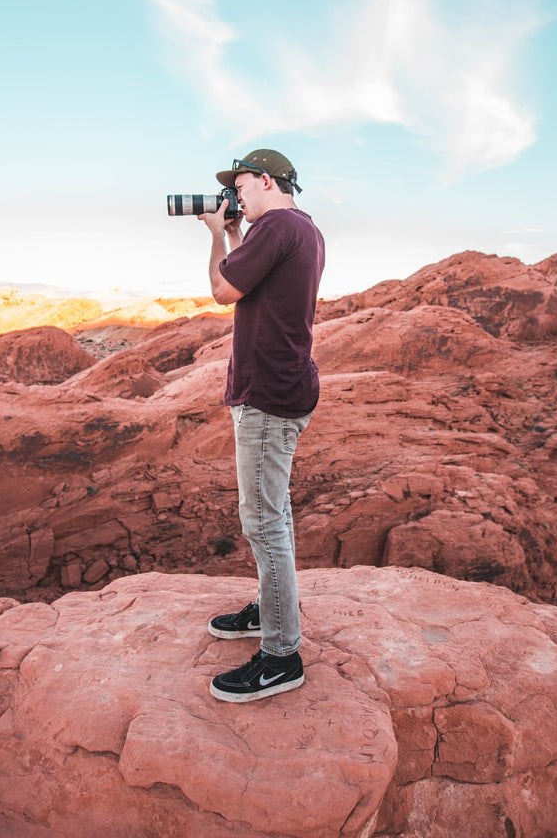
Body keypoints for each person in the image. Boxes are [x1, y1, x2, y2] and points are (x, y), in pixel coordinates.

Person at [198, 148, 325, 702]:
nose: (235, 196)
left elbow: (223, 290)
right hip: (280, 386)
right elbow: (245, 285)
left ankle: (281, 655)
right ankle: (271, 609)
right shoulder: (301, 228)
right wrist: (232, 235)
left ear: (266, 181)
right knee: (274, 514)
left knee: (264, 521)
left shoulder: (275, 225)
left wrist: (213, 234)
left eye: (241, 185)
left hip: (270, 394)